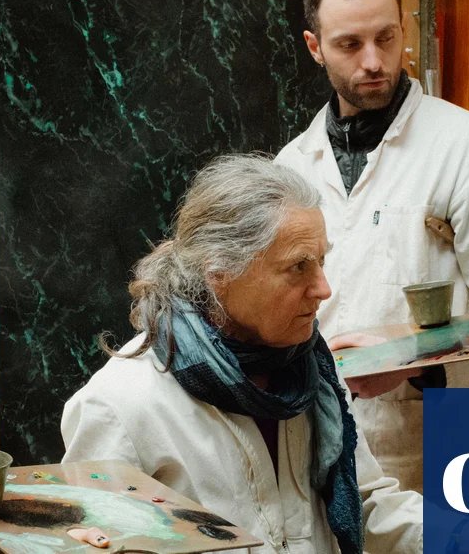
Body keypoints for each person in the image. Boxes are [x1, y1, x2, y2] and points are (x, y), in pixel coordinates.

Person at [274, 0, 469, 494]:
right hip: (316, 445)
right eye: (350, 44)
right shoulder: (291, 167)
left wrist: (411, 363)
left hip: (435, 447)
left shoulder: (468, 148)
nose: (374, 61)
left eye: (387, 37)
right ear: (315, 47)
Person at [61, 154, 422, 553]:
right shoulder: (120, 405)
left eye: (321, 261)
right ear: (219, 272)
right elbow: (97, 541)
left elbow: (366, 501)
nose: (324, 288)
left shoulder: (312, 371)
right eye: (298, 267)